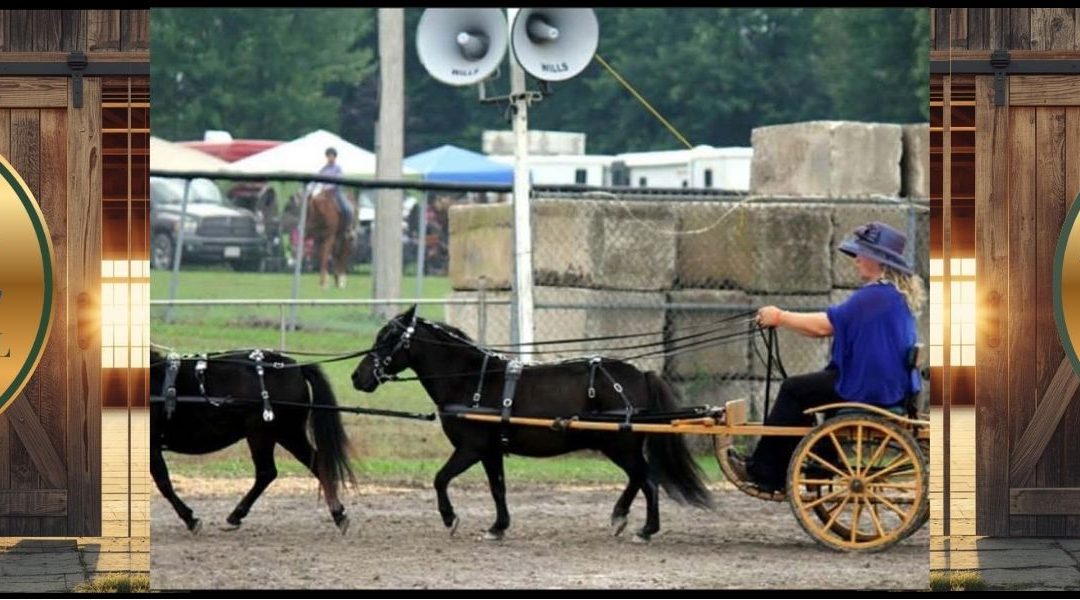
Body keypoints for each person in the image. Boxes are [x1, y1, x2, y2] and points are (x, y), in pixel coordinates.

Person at [729, 221, 925, 495]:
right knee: (816, 389)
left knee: (794, 389)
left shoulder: (873, 297)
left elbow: (823, 327)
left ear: (878, 260)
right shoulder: (894, 296)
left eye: (861, 254)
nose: (856, 259)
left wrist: (780, 317)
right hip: (888, 385)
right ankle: (819, 464)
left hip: (872, 388)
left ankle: (766, 472)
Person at [317, 147, 354, 235]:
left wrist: (327, 187)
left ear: (335, 157)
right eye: (328, 156)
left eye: (332, 156)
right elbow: (317, 180)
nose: (330, 158)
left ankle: (348, 227)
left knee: (347, 208)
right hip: (324, 193)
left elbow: (338, 181)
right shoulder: (323, 169)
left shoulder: (338, 169)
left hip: (336, 192)